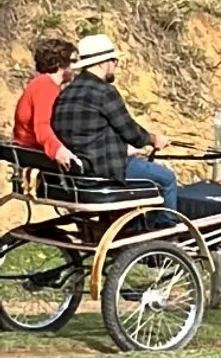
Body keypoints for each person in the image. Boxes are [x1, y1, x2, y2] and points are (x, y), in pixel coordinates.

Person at [51, 33, 178, 219]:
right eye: (115, 61)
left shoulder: (67, 92)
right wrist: (154, 139)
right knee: (167, 179)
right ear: (104, 63)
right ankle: (168, 232)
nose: (116, 65)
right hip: (104, 169)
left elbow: (90, 134)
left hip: (77, 171)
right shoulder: (104, 91)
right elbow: (132, 132)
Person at [13, 38, 81, 170]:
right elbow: (42, 126)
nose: (76, 67)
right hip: (34, 154)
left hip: (31, 152)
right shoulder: (45, 86)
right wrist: (58, 150)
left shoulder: (43, 85)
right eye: (73, 61)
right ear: (58, 63)